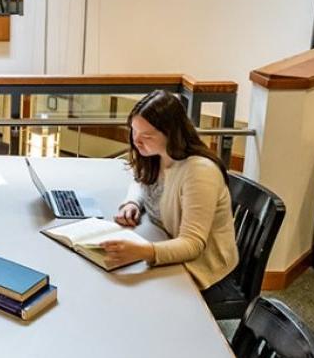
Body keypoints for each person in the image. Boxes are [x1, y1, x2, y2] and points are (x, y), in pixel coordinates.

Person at [102, 91, 239, 302]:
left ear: (172, 134)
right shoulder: (157, 155)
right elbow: (140, 180)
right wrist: (132, 202)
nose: (137, 141)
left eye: (147, 136)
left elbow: (192, 245)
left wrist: (144, 252)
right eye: (134, 131)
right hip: (166, 245)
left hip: (205, 272)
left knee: (124, 293)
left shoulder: (199, 172)